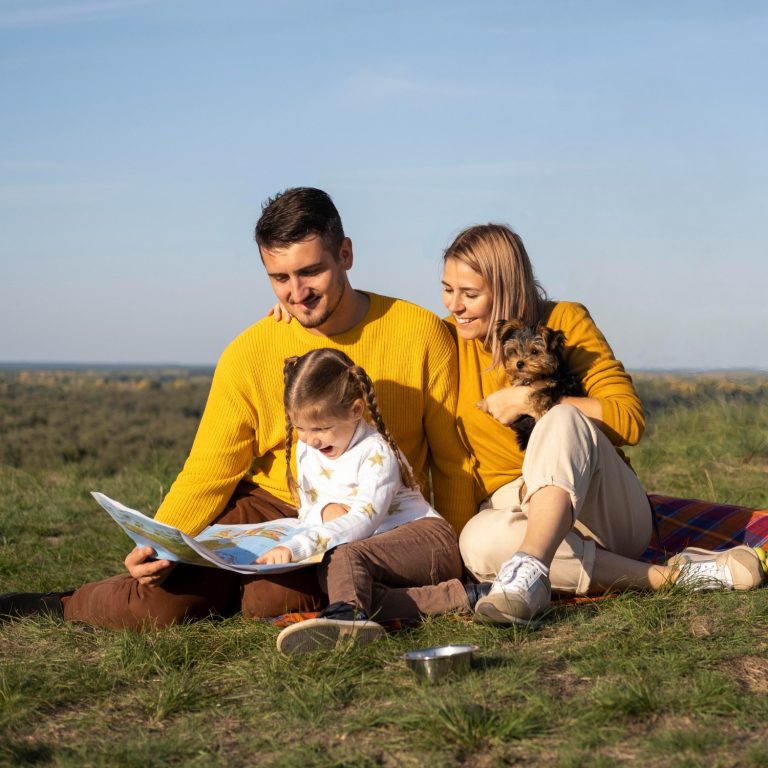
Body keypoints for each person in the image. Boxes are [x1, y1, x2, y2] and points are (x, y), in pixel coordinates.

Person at [0, 187, 475, 629]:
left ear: (345, 255)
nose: (297, 292)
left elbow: (452, 460)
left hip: (371, 514)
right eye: (279, 278)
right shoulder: (250, 351)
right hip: (271, 503)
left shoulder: (419, 333)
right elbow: (209, 469)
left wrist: (456, 553)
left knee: (271, 599)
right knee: (160, 604)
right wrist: (158, 542)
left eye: (311, 272)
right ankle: (55, 604)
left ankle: (237, 591)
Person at [441, 223, 766, 626]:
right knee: (477, 541)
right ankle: (672, 576)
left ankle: (528, 567)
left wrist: (530, 399)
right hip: (517, 510)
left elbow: (628, 420)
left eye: (470, 294)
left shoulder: (565, 321)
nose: (454, 305)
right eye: (447, 289)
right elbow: (450, 461)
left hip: (599, 504)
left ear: (508, 289)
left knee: (559, 418)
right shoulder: (448, 346)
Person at [257, 348, 465, 654]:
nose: (309, 439)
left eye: (321, 428)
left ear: (356, 410)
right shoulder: (308, 450)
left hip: (427, 541)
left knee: (343, 559)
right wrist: (327, 512)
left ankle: (345, 619)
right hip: (373, 556)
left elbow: (363, 520)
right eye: (299, 427)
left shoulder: (375, 453)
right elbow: (309, 509)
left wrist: (299, 546)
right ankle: (461, 597)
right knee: (341, 576)